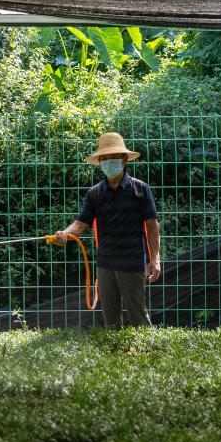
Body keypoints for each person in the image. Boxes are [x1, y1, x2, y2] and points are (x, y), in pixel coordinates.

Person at [55, 132, 161, 327]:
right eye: (104, 158)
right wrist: (64, 234)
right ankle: (114, 353)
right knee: (110, 320)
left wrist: (155, 259)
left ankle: (149, 353)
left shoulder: (140, 189)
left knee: (139, 316)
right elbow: (79, 224)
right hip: (105, 264)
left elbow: (152, 225)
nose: (108, 162)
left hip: (132, 263)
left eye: (113, 158)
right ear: (100, 162)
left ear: (124, 160)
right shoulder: (94, 193)